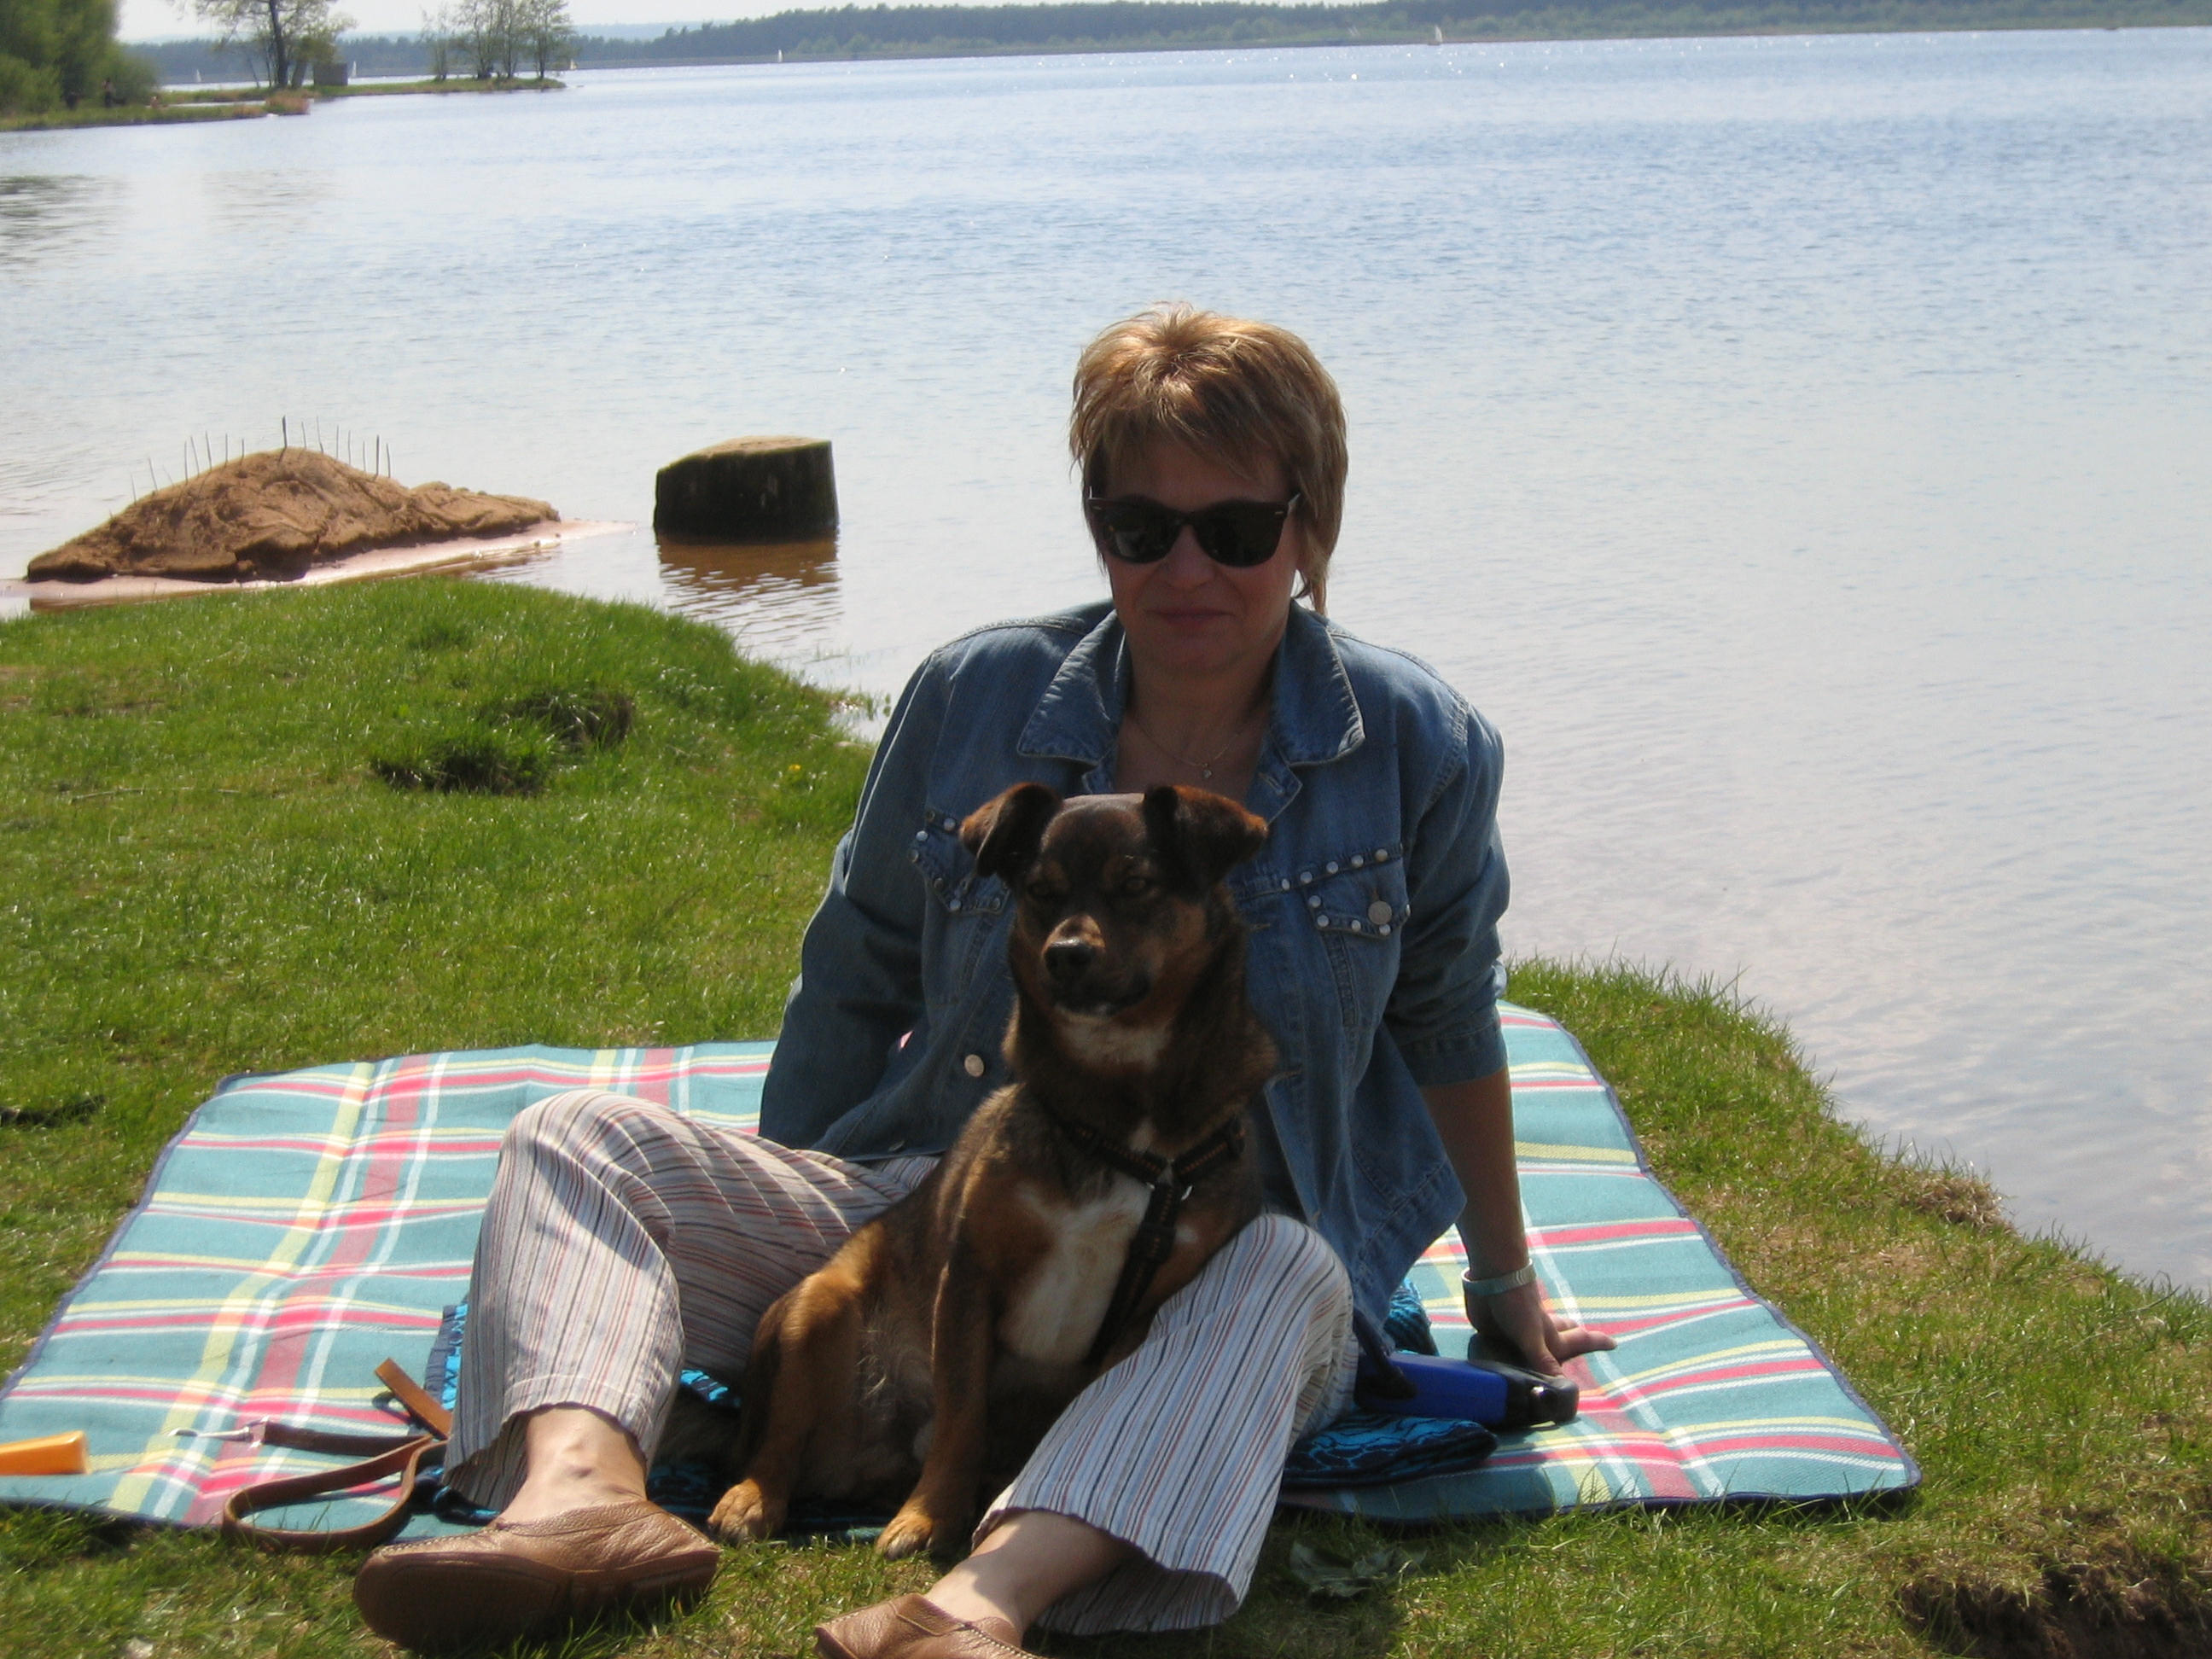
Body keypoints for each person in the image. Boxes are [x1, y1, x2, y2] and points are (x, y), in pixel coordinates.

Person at [352, 305, 1613, 1659]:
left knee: (1294, 1269)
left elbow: (1444, 1020)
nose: (1188, 567)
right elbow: (853, 975)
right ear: (1098, 525)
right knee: (573, 1141)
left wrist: (1503, 1282)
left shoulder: (1418, 746)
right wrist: (802, 1230)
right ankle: (581, 1514)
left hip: (1213, 1261)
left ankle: (968, 1611)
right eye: (1143, 527)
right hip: (932, 1204)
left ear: (1310, 528)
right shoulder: (973, 696)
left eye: (1238, 530)